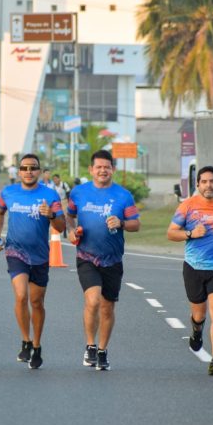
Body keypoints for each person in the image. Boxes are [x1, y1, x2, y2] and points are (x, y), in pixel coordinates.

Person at [66, 150, 141, 371]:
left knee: (107, 307)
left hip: (113, 259)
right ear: (91, 170)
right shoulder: (79, 193)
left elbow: (136, 224)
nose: (103, 170)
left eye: (107, 167)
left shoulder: (123, 196)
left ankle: (102, 350)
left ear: (113, 169)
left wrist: (121, 223)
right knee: (93, 301)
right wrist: (71, 231)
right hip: (87, 256)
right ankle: (90, 345)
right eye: (98, 167)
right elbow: (69, 216)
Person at [0, 154, 66, 369]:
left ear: (39, 171)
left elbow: (61, 227)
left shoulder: (50, 195)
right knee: (21, 295)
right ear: (19, 171)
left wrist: (52, 216)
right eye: (24, 168)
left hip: (40, 256)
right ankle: (25, 340)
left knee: (36, 302)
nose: (28, 171)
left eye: (33, 168)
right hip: (16, 253)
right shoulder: (9, 192)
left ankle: (37, 345)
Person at [166, 166, 213, 376]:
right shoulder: (187, 206)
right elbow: (171, 233)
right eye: (204, 182)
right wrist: (191, 233)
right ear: (197, 185)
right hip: (193, 267)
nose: (209, 185)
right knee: (199, 314)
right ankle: (197, 330)